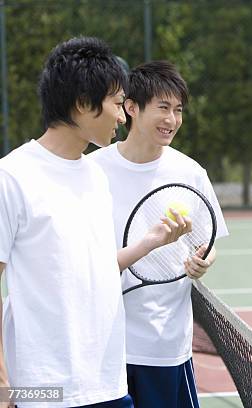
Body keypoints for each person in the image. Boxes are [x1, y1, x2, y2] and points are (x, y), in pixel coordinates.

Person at [0, 37, 190, 408]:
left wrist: (148, 242)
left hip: (109, 385)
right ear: (83, 104)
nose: (123, 117)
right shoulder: (12, 176)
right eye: (118, 104)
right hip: (43, 392)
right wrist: (3, 383)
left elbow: (97, 270)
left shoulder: (95, 175)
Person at [89, 60, 229, 408]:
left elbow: (207, 244)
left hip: (164, 346)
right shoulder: (92, 172)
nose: (172, 119)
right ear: (131, 108)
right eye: (163, 108)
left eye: (178, 110)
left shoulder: (190, 173)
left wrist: (203, 260)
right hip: (102, 344)